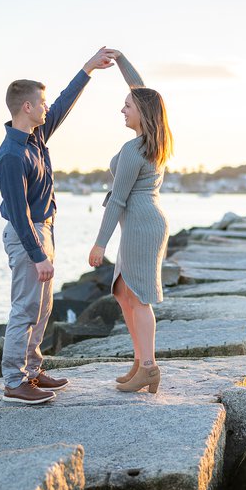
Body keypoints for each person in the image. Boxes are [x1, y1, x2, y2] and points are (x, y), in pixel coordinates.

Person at [0, 47, 117, 405]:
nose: (47, 107)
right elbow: (17, 214)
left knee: (44, 308)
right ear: (27, 107)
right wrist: (37, 255)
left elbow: (63, 102)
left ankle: (32, 371)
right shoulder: (11, 155)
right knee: (25, 308)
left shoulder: (37, 137)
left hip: (43, 230)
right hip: (26, 234)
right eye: (41, 103)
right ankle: (14, 381)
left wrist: (88, 69)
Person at [88, 52, 172, 393]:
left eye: (127, 105)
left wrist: (99, 243)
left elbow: (118, 199)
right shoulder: (153, 140)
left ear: (142, 113)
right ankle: (140, 360)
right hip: (144, 221)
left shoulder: (134, 149)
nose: (122, 109)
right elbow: (142, 90)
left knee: (138, 298)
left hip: (140, 224)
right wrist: (121, 60)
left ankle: (149, 367)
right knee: (124, 293)